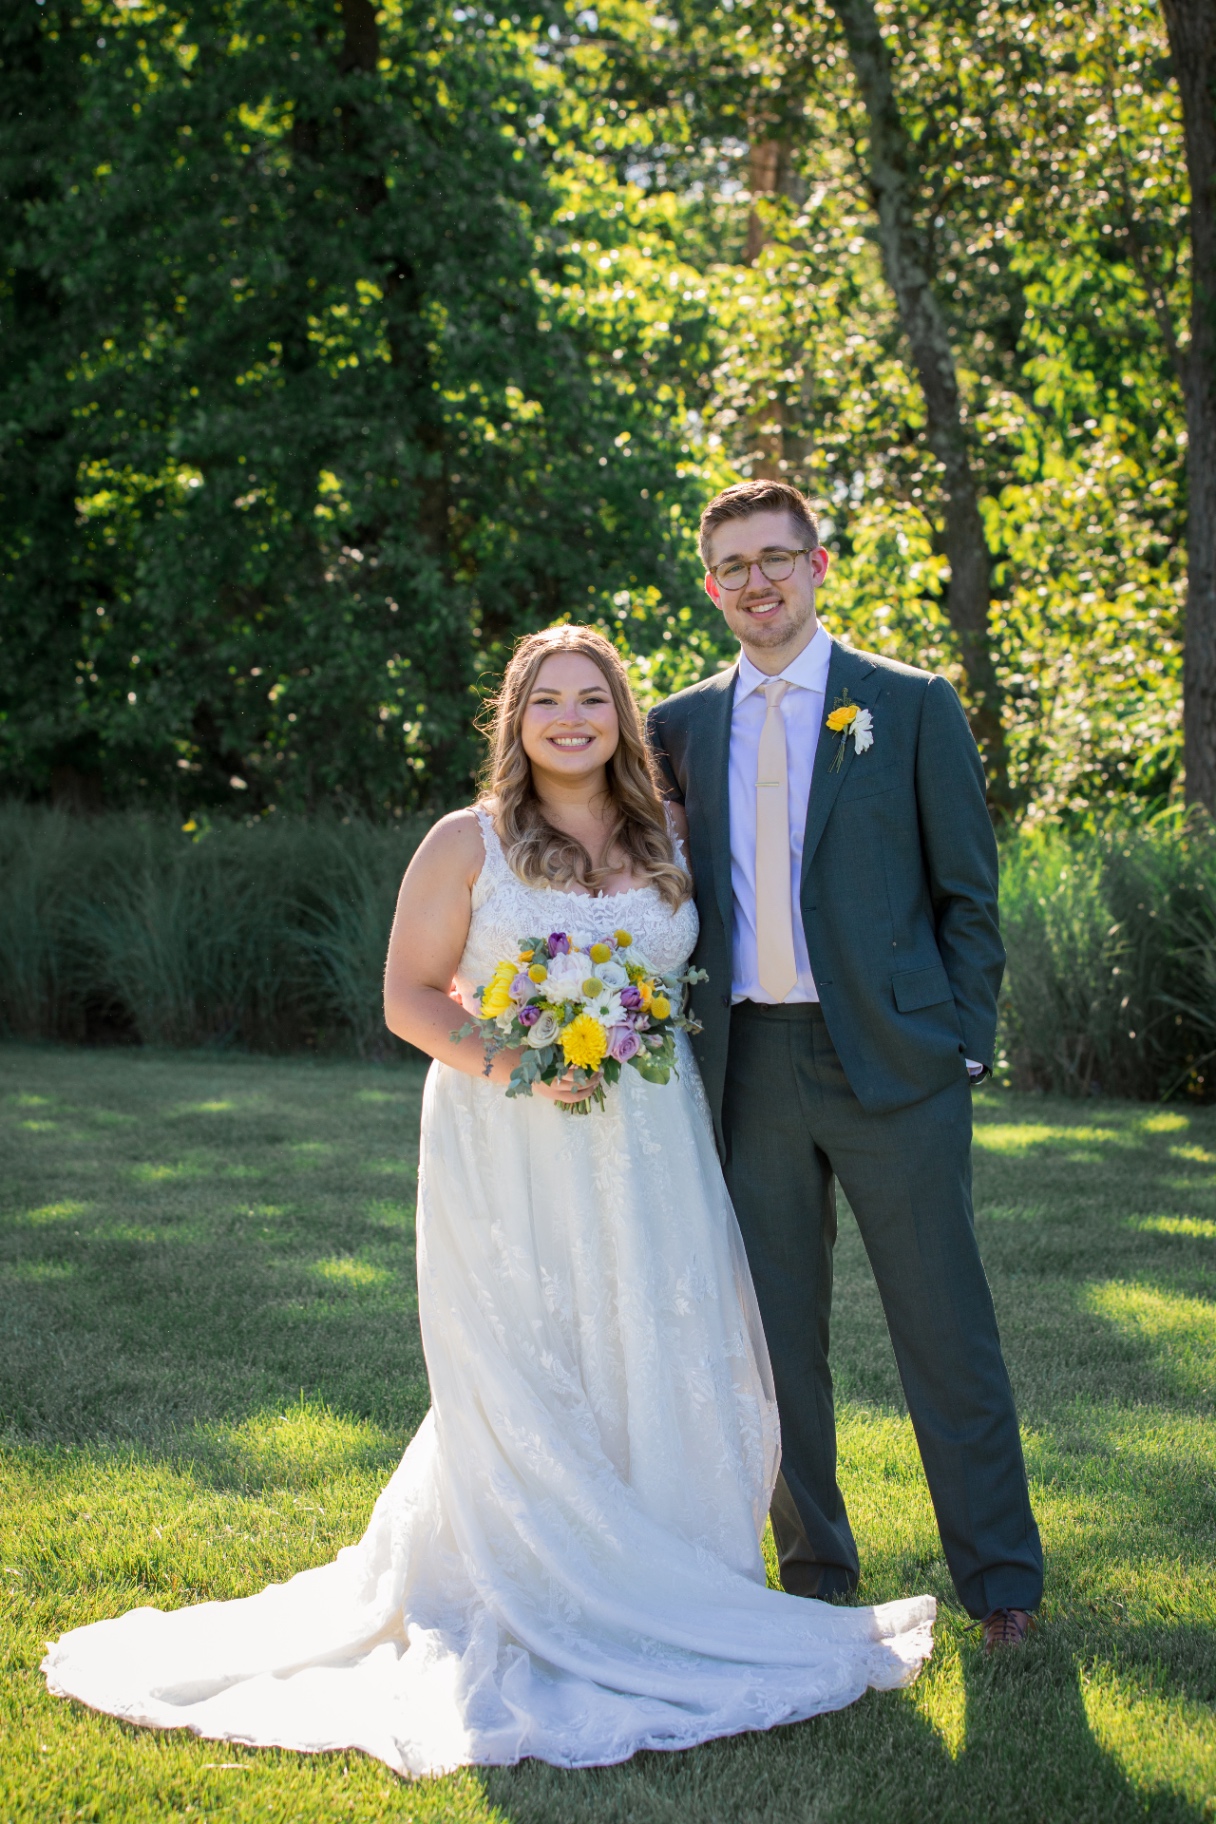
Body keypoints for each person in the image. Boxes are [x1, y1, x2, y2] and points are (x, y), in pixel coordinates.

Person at [42, 624, 934, 1779]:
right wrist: (518, 1062)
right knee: (528, 1348)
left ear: (622, 719)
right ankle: (541, 1567)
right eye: (546, 700)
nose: (571, 718)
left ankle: (677, 1566)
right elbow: (409, 997)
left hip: (651, 1140)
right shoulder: (466, 843)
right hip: (507, 1131)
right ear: (514, 721)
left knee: (658, 1339)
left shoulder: (668, 836)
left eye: (594, 700)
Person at [647, 479, 1043, 1653]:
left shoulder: (907, 706)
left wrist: (962, 1043)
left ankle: (1002, 1585)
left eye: (777, 558)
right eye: (733, 566)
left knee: (945, 1329)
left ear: (820, 566)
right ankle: (816, 1577)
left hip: (897, 1062)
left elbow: (967, 896)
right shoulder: (676, 726)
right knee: (771, 1344)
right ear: (711, 586)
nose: (757, 582)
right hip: (748, 1066)